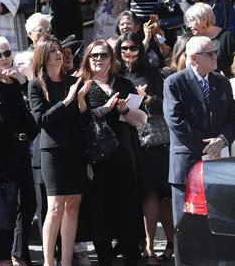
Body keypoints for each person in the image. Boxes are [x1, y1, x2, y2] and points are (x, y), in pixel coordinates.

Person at [79, 40, 147, 266]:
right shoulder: (81, 85)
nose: (99, 59)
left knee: (127, 206)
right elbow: (77, 121)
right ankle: (104, 257)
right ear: (88, 58)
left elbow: (142, 120)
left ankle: (131, 254)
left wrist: (125, 109)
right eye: (94, 55)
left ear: (112, 58)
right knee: (99, 208)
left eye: (104, 55)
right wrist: (105, 109)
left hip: (124, 154)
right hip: (96, 157)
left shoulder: (124, 84)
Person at [27, 36, 90, 266]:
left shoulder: (72, 80)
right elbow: (41, 119)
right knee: (54, 207)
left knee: (73, 206)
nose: (59, 54)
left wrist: (81, 100)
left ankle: (65, 261)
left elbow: (84, 117)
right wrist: (67, 100)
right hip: (52, 151)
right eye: (52, 50)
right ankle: (48, 262)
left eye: (59, 50)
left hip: (75, 149)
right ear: (43, 56)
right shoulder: (36, 84)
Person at [0, 37, 39, 266]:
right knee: (2, 205)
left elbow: (34, 120)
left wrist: (24, 83)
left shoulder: (20, 84)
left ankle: (18, 252)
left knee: (29, 203)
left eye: (7, 53)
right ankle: (1, 258)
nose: (4, 59)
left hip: (22, 149)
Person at [114, 32, 174, 264]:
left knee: (161, 195)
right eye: (124, 49)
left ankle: (166, 244)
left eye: (133, 48)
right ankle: (148, 247)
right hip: (129, 140)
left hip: (154, 141)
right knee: (146, 194)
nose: (128, 53)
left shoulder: (151, 72)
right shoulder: (117, 75)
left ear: (140, 49)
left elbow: (163, 104)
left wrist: (146, 98)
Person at [163, 35, 235, 226]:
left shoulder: (222, 82)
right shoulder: (174, 82)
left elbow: (232, 118)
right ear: (193, 58)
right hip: (187, 162)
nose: (215, 56)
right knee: (186, 222)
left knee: (218, 218)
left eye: (215, 52)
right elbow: (175, 120)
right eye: (209, 53)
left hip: (218, 162)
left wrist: (222, 140)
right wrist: (207, 147)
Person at [184, 2, 235, 77]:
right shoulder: (191, 39)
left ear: (204, 19)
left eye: (191, 21)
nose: (189, 26)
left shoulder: (227, 38)